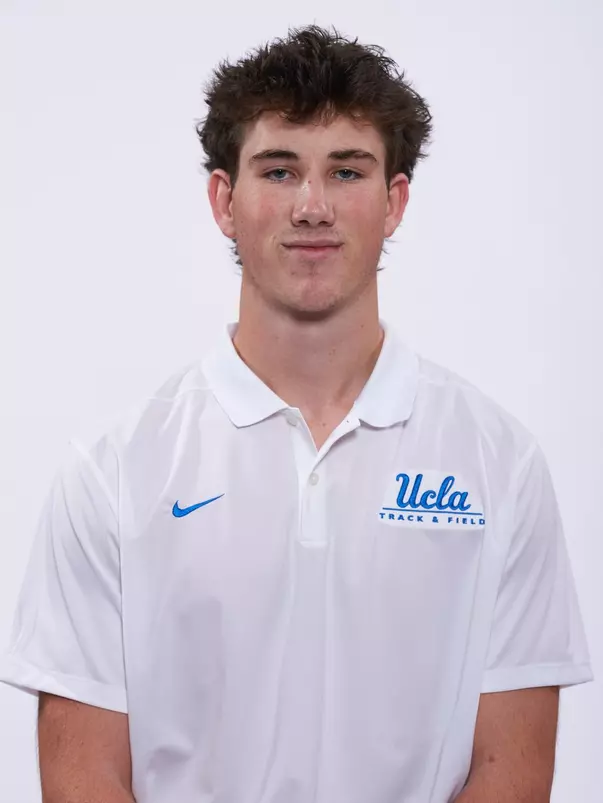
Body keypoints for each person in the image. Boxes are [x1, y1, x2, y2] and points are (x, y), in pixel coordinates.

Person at [0, 23, 593, 803]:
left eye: (346, 171)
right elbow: (83, 776)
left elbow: (508, 770)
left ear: (394, 201)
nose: (311, 206)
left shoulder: (498, 463)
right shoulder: (113, 472)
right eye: (278, 170)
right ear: (224, 199)